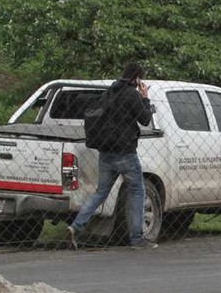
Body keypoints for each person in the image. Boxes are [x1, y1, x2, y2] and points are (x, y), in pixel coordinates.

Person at [67, 63, 156, 250]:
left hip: (106, 152)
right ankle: (137, 239)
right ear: (137, 79)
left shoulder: (110, 91)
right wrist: (145, 98)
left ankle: (76, 226)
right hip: (126, 153)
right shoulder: (131, 94)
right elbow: (145, 119)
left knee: (101, 192)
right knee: (138, 192)